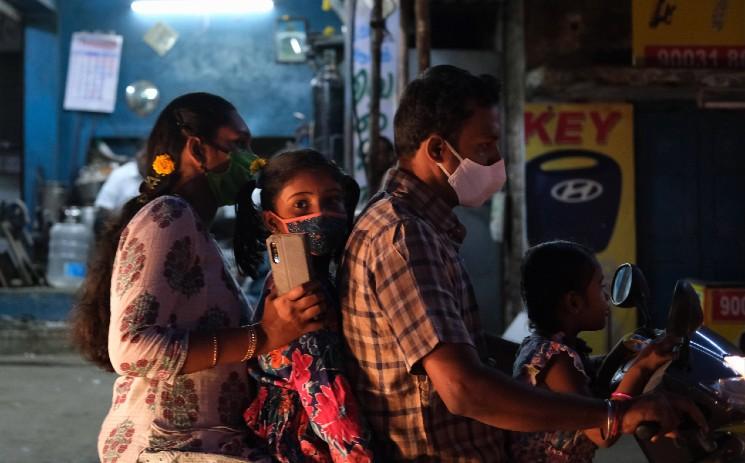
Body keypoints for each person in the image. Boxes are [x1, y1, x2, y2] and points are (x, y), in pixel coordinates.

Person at [338, 65, 705, 461]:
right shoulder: (404, 238)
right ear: (438, 150)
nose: (497, 160)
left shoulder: (419, 228)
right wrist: (613, 413)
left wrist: (577, 364)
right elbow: (464, 389)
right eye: (485, 147)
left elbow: (464, 351)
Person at [70, 93, 326, 462]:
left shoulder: (192, 227)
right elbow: (131, 349)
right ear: (198, 150)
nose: (253, 160)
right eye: (238, 144)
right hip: (166, 446)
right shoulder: (169, 216)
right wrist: (263, 335)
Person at [234, 149, 374, 462]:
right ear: (273, 220)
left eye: (332, 201)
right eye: (301, 204)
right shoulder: (300, 296)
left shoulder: (312, 275)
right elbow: (332, 410)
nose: (320, 214)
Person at [511, 240, 677, 462]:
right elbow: (602, 433)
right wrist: (643, 367)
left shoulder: (547, 346)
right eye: (600, 287)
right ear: (574, 303)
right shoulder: (555, 358)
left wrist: (622, 352)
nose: (607, 296)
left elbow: (593, 389)